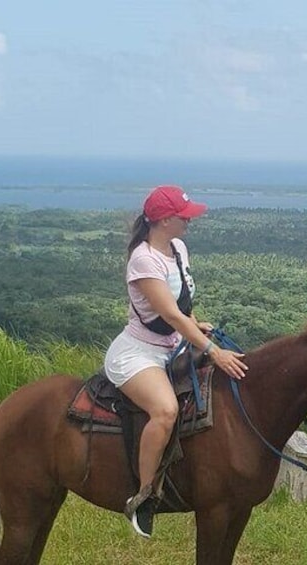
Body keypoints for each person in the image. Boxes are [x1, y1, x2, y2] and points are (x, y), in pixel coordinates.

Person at [104, 185, 248, 538]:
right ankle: (145, 492)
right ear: (165, 220)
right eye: (184, 217)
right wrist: (213, 351)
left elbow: (182, 303)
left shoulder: (177, 248)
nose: (189, 221)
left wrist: (196, 324)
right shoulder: (143, 258)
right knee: (166, 410)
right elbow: (168, 313)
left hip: (175, 344)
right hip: (139, 352)